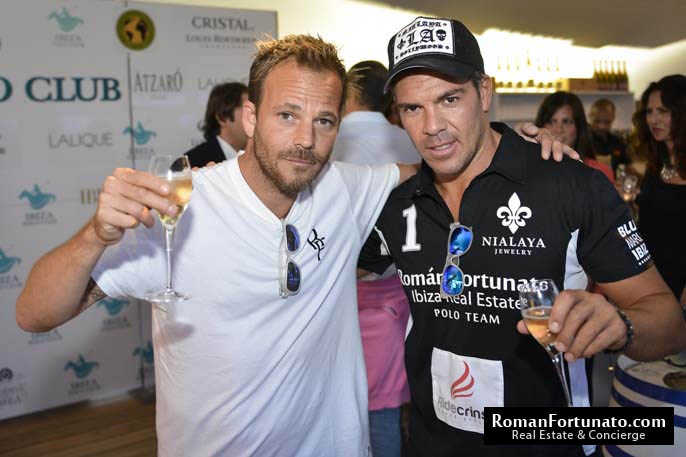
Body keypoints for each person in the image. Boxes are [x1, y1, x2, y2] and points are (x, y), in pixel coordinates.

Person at [16, 33, 570, 457]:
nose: (306, 139)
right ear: (250, 117)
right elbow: (34, 313)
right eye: (287, 115)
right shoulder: (179, 209)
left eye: (324, 121)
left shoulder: (344, 186)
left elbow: (442, 162)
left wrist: (512, 141)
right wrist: (94, 236)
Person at [358, 16, 686, 457]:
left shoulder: (569, 186)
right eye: (412, 109)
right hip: (432, 445)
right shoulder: (396, 203)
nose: (432, 125)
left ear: (485, 92)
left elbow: (669, 322)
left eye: (449, 99)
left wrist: (621, 325)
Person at [332, 60, 418, 457]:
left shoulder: (330, 140)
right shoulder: (409, 140)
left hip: (339, 291)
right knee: (385, 409)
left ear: (349, 92)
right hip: (400, 292)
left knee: (342, 410)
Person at [633, 74, 686, 306]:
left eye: (662, 111)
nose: (653, 119)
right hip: (651, 282)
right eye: (649, 111)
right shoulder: (656, 164)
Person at [535, 91, 615, 183]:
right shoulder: (530, 168)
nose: (559, 129)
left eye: (566, 122)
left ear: (579, 127)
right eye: (551, 122)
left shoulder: (598, 172)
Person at [186, 82, 248, 167]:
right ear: (223, 117)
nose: (254, 119)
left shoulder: (258, 161)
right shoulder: (192, 162)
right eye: (248, 112)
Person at [589, 98, 629, 172]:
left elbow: (626, 167)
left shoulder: (618, 143)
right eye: (597, 121)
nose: (601, 126)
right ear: (590, 116)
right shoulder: (583, 141)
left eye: (606, 122)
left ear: (613, 118)